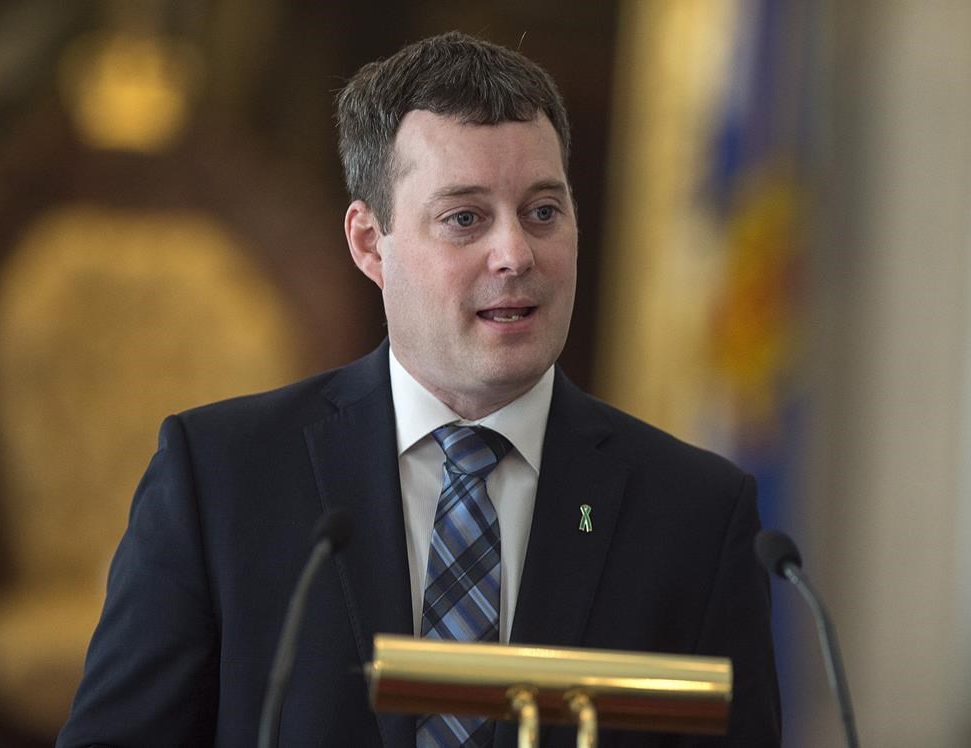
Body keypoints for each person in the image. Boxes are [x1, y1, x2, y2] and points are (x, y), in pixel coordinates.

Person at [58, 31, 780, 747]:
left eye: (543, 212)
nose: (515, 254)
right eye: (465, 218)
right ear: (371, 243)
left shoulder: (695, 515)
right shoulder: (219, 479)